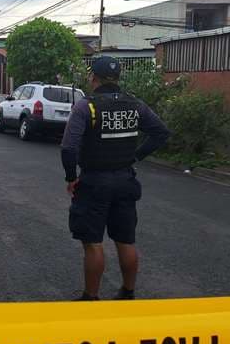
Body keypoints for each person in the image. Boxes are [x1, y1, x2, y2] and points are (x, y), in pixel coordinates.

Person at [61, 56, 170, 301]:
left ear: (94, 78)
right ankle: (128, 292)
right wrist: (136, 156)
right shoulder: (135, 105)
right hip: (125, 181)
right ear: (118, 78)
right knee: (125, 240)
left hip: (94, 182)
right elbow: (161, 133)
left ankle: (90, 298)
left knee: (92, 242)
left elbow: (69, 148)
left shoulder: (86, 107)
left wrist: (71, 177)